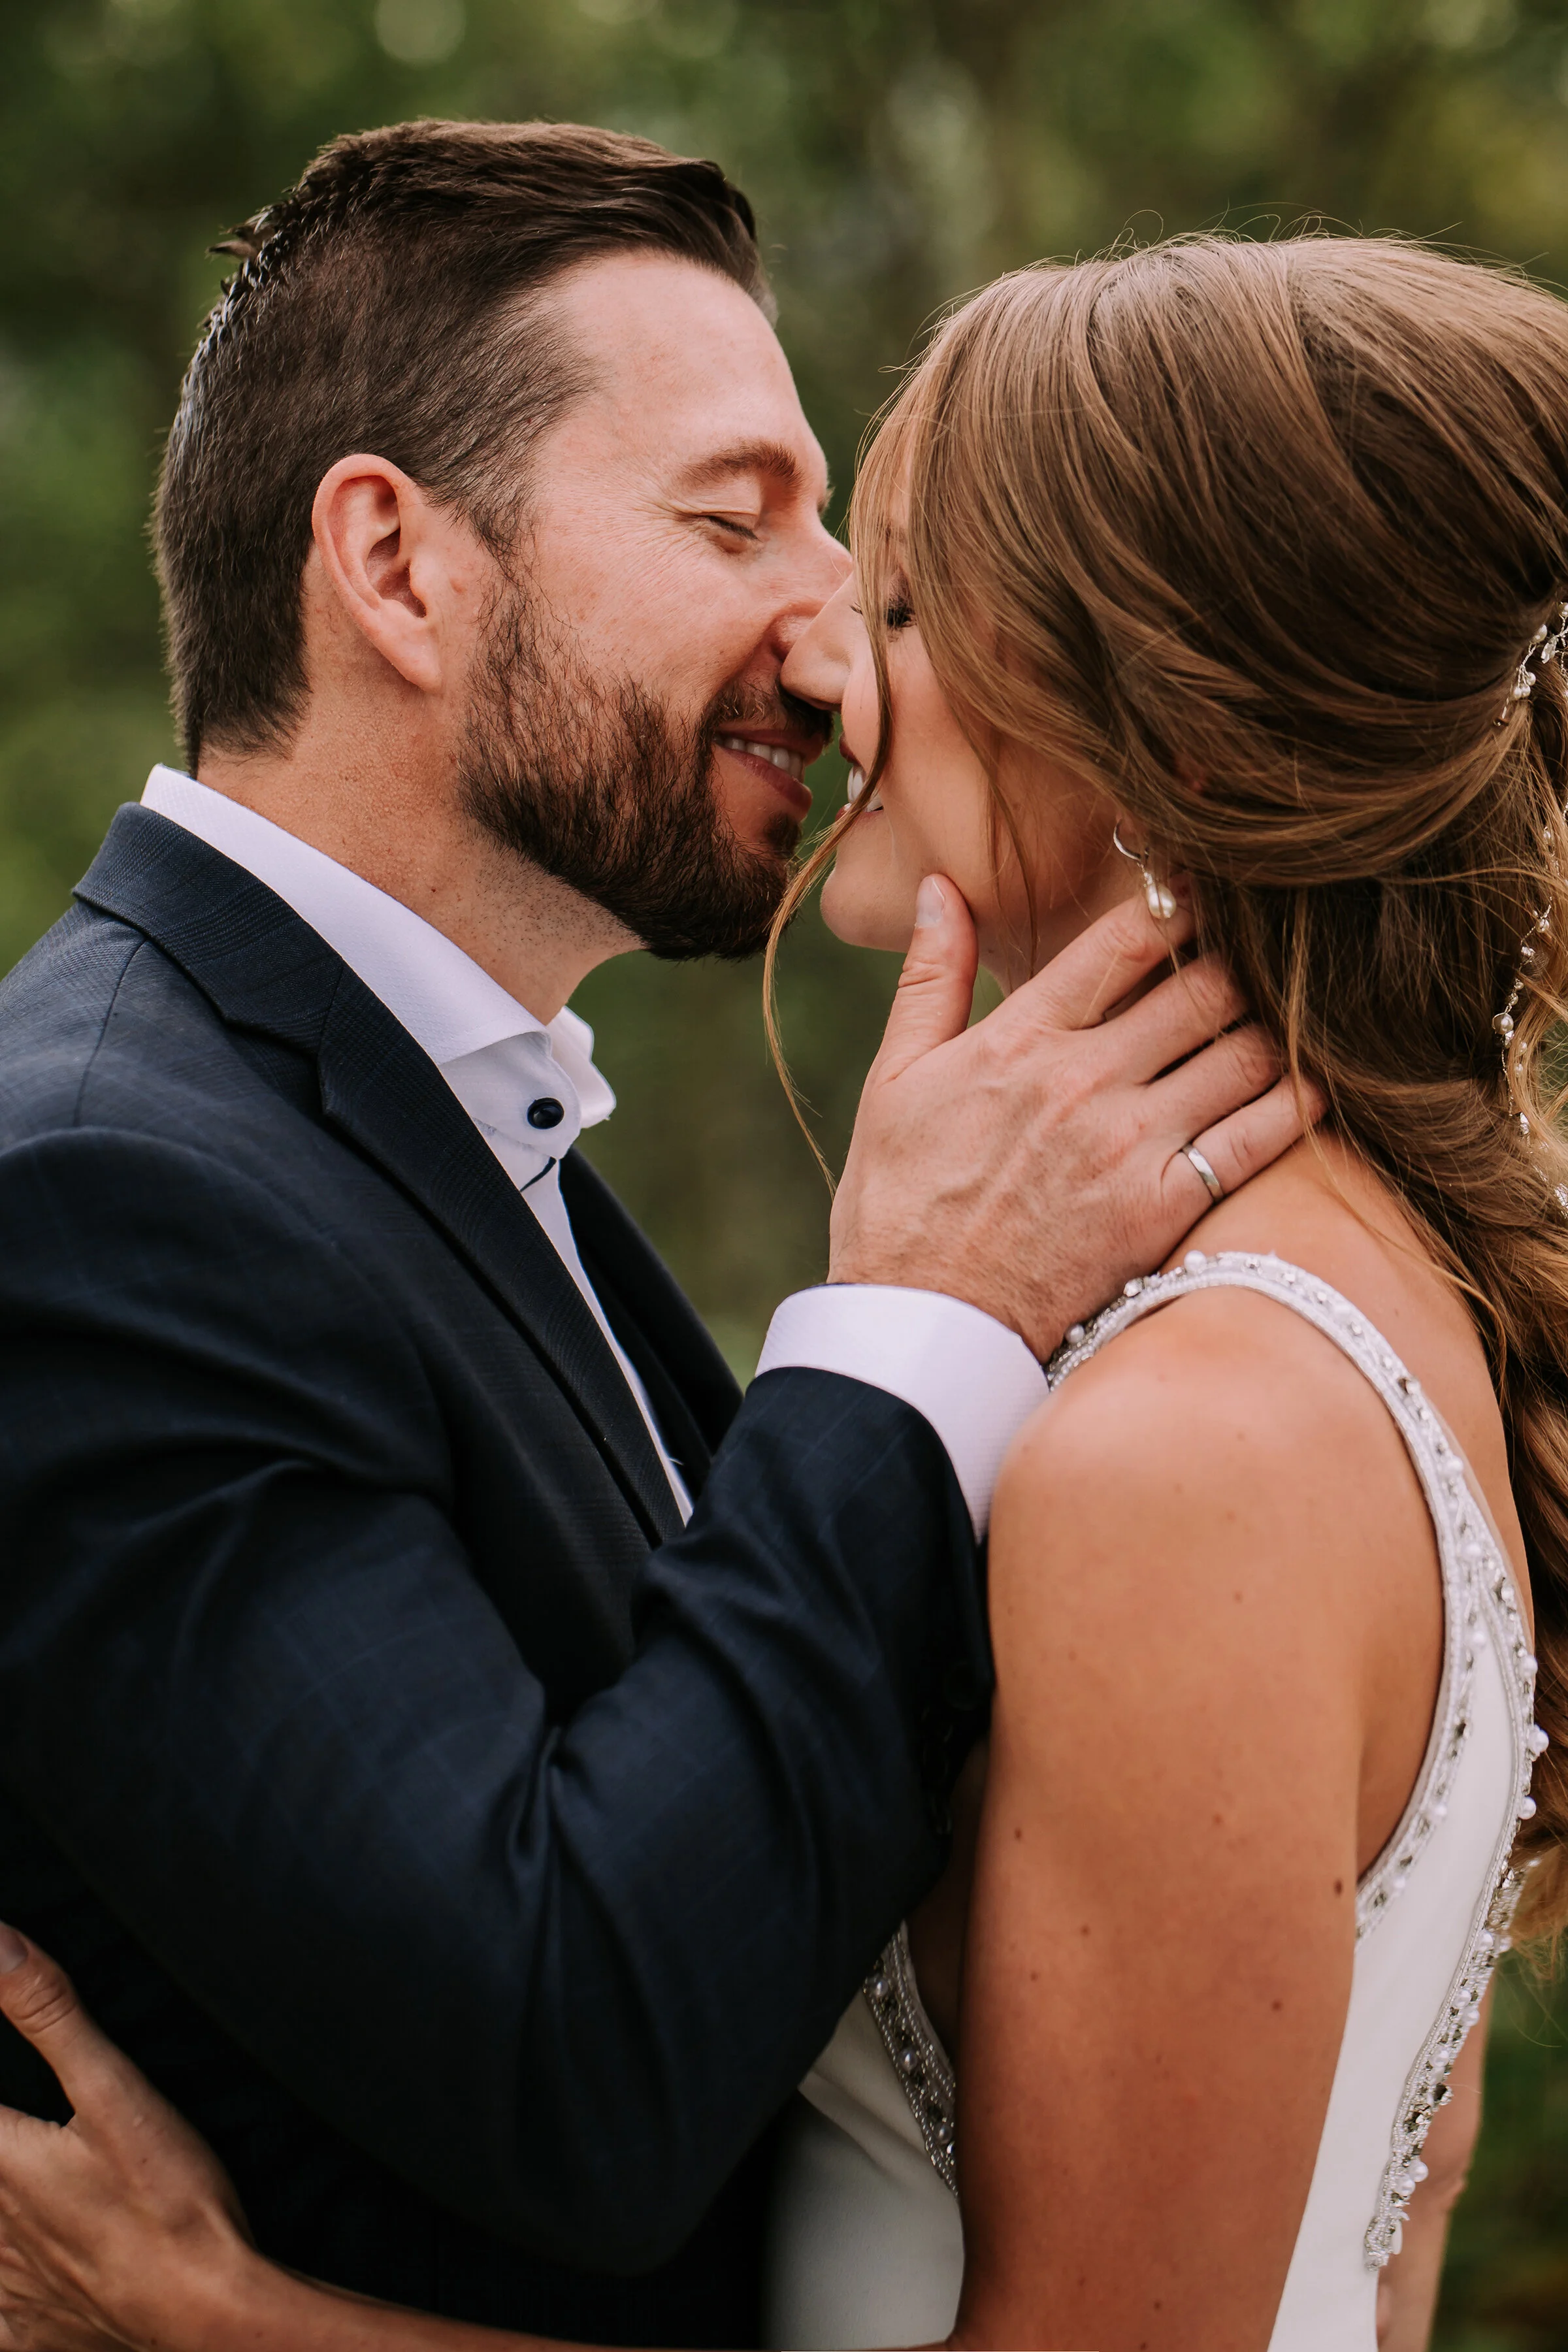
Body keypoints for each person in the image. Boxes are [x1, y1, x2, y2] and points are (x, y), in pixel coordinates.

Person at [0, 225, 1561, 2352]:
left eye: (891, 586)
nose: (835, 654)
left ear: (1176, 734)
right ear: (395, 567)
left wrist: (236, 2332)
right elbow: (1388, 2230)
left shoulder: (1196, 1430)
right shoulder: (1363, 1305)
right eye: (742, 522)